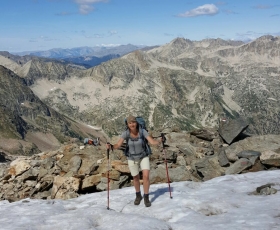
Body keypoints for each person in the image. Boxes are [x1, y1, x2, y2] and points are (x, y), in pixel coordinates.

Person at [106, 115, 161, 207]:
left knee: (146, 176)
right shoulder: (126, 133)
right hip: (131, 158)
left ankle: (146, 197)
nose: (132, 124)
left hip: (143, 156)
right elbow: (118, 145)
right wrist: (111, 146)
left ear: (136, 123)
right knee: (135, 178)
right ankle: (138, 195)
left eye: (133, 122)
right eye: (130, 123)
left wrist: (160, 141)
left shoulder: (142, 132)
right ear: (127, 124)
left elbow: (152, 142)